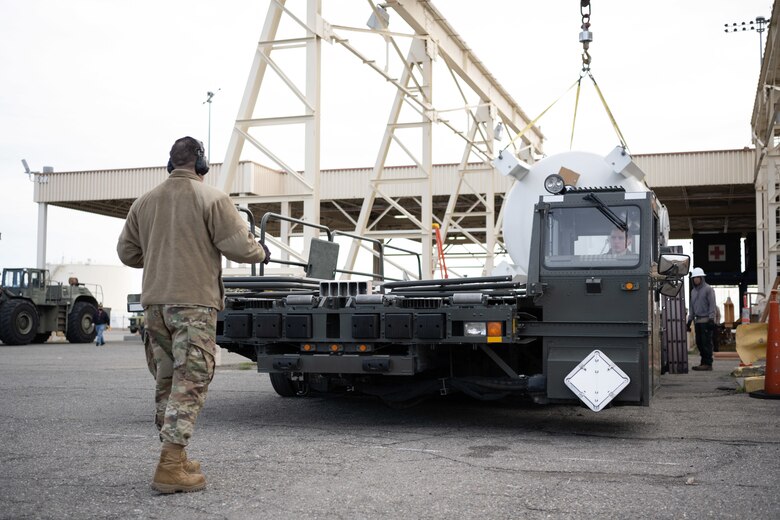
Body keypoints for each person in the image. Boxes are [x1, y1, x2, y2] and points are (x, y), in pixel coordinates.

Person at [116, 136, 270, 494]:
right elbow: (240, 246)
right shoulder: (212, 198)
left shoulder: (144, 202)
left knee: (167, 380)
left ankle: (174, 456)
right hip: (194, 304)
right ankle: (170, 466)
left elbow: (127, 252)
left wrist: (158, 254)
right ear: (201, 165)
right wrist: (261, 251)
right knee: (192, 380)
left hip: (154, 304)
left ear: (170, 165)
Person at [686, 267, 717, 371]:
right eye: (694, 278)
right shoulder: (693, 292)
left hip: (706, 320)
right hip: (697, 321)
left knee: (706, 343)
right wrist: (689, 321)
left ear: (702, 278)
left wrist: (712, 319)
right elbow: (691, 307)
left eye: (697, 277)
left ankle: (708, 363)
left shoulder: (708, 289)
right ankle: (703, 362)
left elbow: (712, 304)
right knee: (699, 343)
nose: (696, 280)